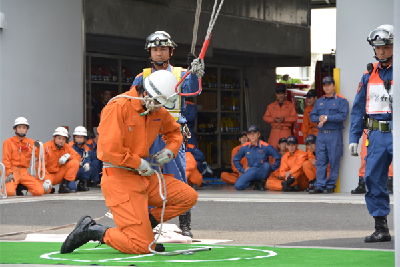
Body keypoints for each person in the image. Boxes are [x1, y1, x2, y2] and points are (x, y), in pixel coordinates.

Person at [60, 70, 198, 255]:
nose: (160, 108)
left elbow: (174, 132)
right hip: (119, 178)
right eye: (158, 103)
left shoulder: (155, 106)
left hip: (144, 176)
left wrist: (170, 150)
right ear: (147, 94)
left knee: (188, 197)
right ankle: (91, 230)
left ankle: (143, 230)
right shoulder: (118, 107)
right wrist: (137, 163)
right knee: (141, 247)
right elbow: (109, 149)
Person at [132, 30, 202, 237]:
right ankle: (146, 222)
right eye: (155, 49)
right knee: (145, 176)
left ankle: (185, 224)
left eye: (163, 49)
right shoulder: (141, 77)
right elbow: (132, 105)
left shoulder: (181, 74)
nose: (159, 53)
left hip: (172, 134)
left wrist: (195, 73)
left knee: (179, 177)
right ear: (150, 53)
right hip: (148, 134)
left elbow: (195, 91)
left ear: (170, 52)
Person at [349, 25, 394, 242]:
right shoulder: (368, 74)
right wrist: (354, 137)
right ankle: (381, 228)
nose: (382, 51)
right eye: (378, 48)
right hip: (376, 135)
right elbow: (358, 108)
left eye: (386, 47)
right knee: (373, 178)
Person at [309, 76, 349, 194]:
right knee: (320, 160)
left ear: (333, 86)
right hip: (321, 135)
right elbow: (312, 116)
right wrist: (319, 118)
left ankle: (330, 185)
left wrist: (326, 118)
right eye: (324, 85)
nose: (326, 87)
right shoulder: (319, 101)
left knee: (334, 160)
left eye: (329, 85)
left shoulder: (341, 100)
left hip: (334, 134)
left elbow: (343, 116)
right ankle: (320, 185)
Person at [2, 117, 44, 197]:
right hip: (12, 171)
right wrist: (9, 173)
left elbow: (39, 155)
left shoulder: (31, 143)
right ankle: (10, 184)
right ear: (15, 129)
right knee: (9, 192)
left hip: (24, 172)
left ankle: (20, 185)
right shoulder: (8, 142)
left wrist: (39, 147)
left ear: (27, 129)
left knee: (39, 191)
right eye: (19, 127)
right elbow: (5, 159)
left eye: (24, 127)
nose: (21, 129)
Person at [233, 125, 281, 191]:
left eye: (254, 133)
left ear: (258, 134)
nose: (252, 135)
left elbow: (277, 156)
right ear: (248, 136)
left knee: (267, 165)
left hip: (262, 170)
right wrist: (242, 170)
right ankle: (254, 182)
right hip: (251, 170)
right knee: (238, 186)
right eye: (250, 134)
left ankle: (262, 183)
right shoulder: (245, 147)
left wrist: (272, 169)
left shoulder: (265, 146)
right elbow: (235, 159)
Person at [352, 130, 393, 194]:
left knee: (385, 156)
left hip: (383, 128)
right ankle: (362, 183)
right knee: (364, 156)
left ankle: (388, 183)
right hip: (368, 129)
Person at [41, 127, 81, 194]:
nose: (61, 141)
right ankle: (50, 188)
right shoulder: (46, 147)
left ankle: (64, 186)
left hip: (58, 174)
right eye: (59, 138)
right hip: (47, 175)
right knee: (42, 191)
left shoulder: (66, 147)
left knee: (75, 162)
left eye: (63, 139)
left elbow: (78, 157)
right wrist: (46, 179)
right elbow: (40, 166)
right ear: (54, 138)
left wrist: (68, 156)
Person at [263, 84, 298, 149]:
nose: (280, 96)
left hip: (286, 131)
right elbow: (265, 117)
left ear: (285, 93)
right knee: (272, 151)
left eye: (282, 93)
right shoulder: (271, 106)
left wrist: (284, 119)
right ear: (276, 94)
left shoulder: (291, 105)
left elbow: (295, 117)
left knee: (287, 151)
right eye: (278, 94)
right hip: (274, 132)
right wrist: (274, 119)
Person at [68, 126, 91, 192]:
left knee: (88, 167)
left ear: (84, 138)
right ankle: (65, 183)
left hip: (78, 170)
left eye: (81, 137)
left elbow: (87, 158)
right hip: (70, 171)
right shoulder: (69, 146)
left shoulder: (86, 148)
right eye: (77, 137)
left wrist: (87, 163)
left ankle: (81, 185)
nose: (79, 139)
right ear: (74, 137)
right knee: (72, 188)